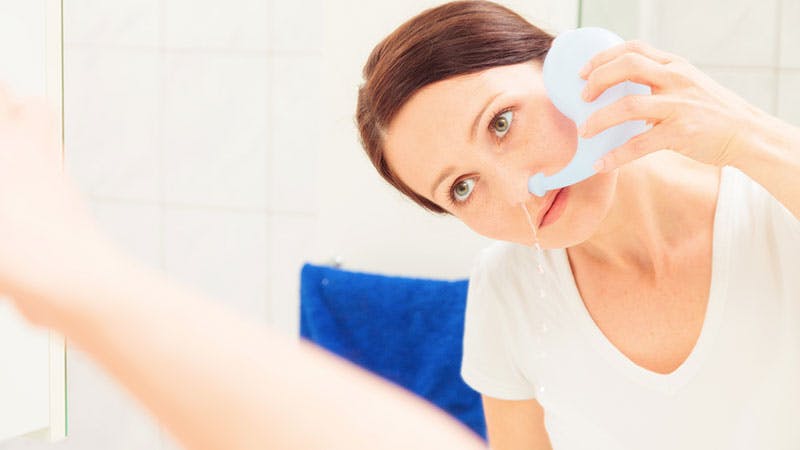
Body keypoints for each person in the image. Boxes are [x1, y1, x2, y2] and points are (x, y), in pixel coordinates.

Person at [356, 1, 800, 449]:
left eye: (501, 123)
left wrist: (747, 135)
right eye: (463, 188)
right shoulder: (508, 290)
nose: (519, 192)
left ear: (568, 66)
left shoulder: (775, 205)